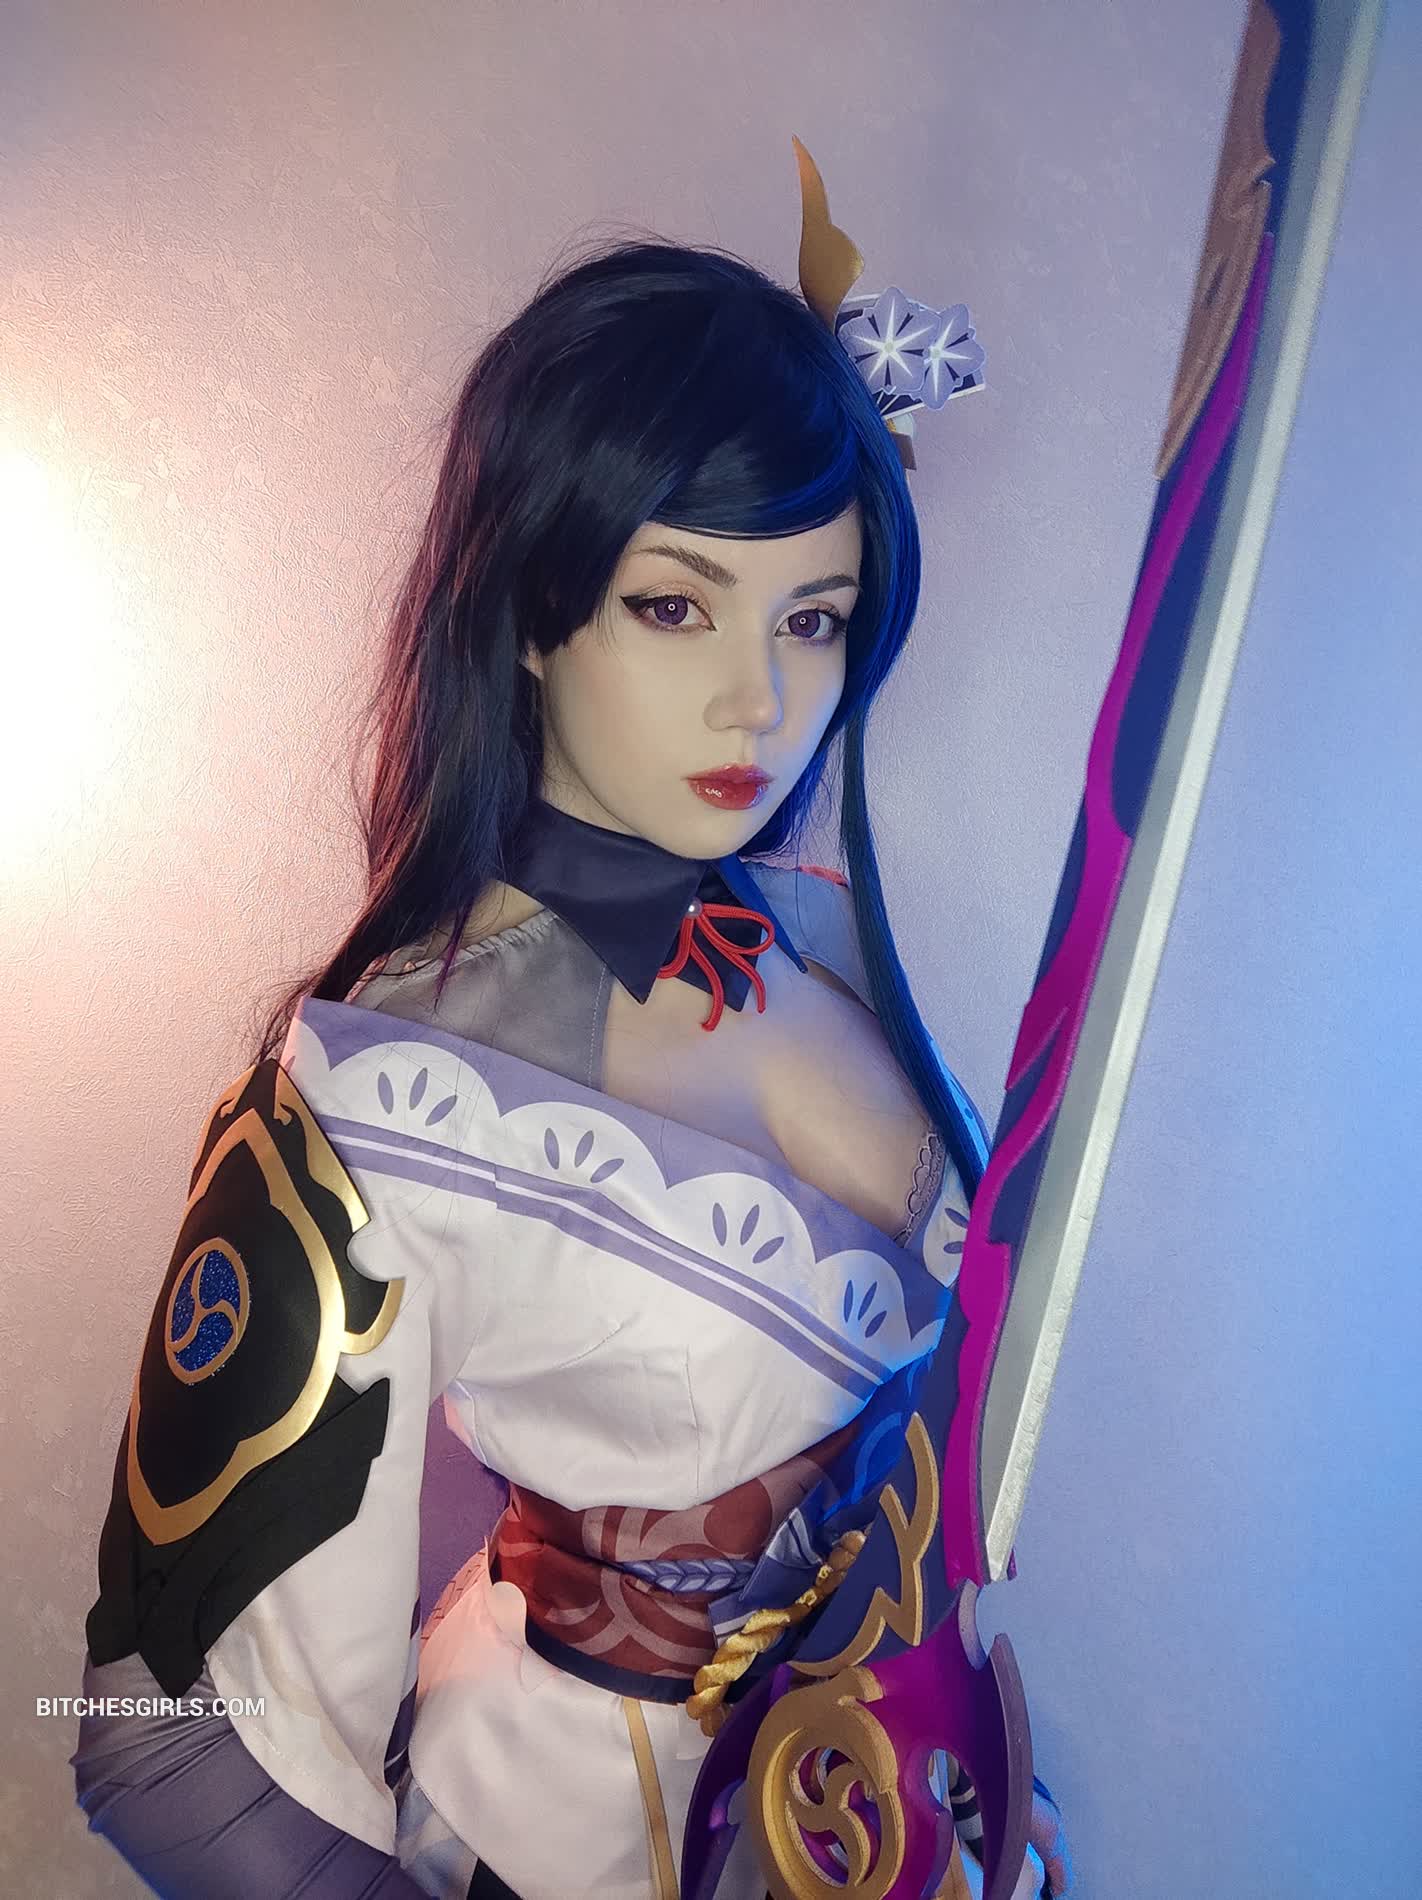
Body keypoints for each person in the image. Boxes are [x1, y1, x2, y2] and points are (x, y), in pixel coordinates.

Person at [70, 183, 1070, 1900]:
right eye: (675, 607)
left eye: (811, 618)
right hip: (556, 1838)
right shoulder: (379, 1096)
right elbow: (165, 1744)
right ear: (535, 609)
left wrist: (933, 1759)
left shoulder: (826, 955)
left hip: (854, 1821)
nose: (761, 700)